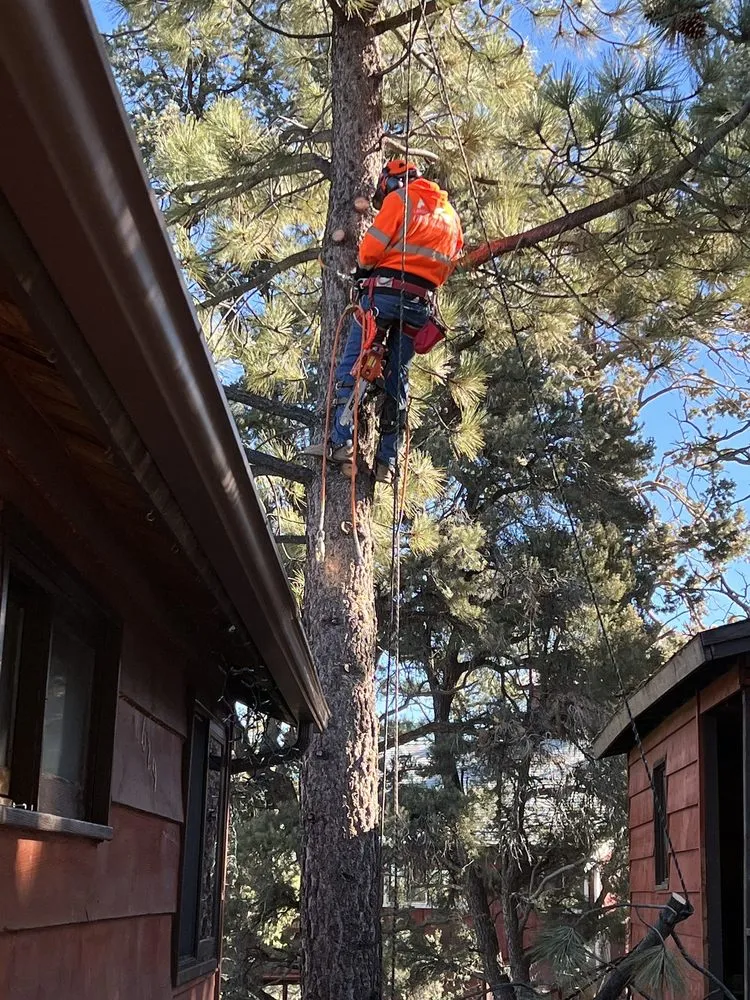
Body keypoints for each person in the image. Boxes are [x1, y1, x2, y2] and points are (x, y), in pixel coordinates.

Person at [306, 159, 463, 483]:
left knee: (355, 362)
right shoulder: (451, 217)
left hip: (384, 295)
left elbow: (371, 250)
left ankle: (341, 442)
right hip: (420, 303)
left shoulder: (400, 200)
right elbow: (450, 263)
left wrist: (364, 270)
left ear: (392, 181)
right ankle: (387, 460)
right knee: (397, 375)